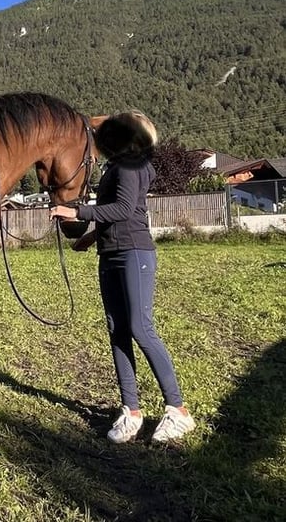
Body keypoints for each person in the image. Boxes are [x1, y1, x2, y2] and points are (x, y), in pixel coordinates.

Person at [50, 110, 195, 444]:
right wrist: (91, 237)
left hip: (134, 253)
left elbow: (125, 209)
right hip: (112, 253)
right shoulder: (117, 166)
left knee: (141, 328)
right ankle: (131, 411)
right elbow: (116, 212)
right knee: (118, 331)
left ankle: (178, 410)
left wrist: (76, 211)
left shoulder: (131, 165)